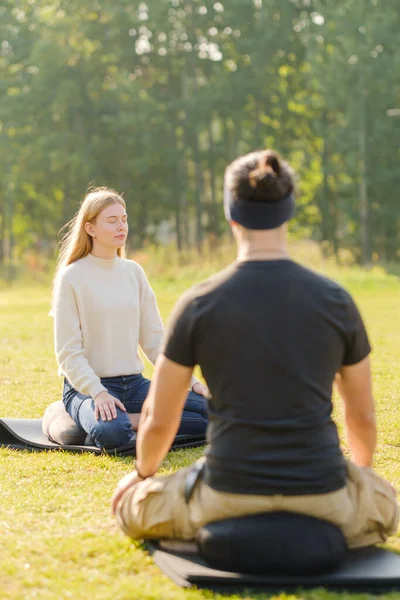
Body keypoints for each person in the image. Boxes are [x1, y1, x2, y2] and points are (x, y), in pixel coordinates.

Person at [112, 150, 398, 548]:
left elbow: (160, 419)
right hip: (325, 496)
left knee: (130, 506)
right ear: (288, 212)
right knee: (388, 506)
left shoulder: (198, 304)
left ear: (232, 216)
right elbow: (362, 415)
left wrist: (142, 475)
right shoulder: (337, 300)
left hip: (225, 495)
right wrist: (361, 477)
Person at [51, 187, 209, 449]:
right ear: (90, 228)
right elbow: (68, 353)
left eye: (123, 219)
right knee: (113, 433)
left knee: (210, 411)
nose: (121, 226)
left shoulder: (133, 272)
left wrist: (191, 383)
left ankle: (129, 420)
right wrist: (98, 392)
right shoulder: (72, 277)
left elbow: (156, 342)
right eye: (111, 221)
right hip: (87, 388)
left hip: (134, 386)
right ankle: (93, 417)